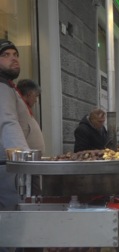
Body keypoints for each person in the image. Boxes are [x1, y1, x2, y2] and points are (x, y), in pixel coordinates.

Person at [0, 39, 45, 214]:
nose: (14, 58)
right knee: (14, 222)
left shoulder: (8, 87)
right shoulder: (2, 87)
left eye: (15, 55)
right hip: (11, 167)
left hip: (12, 166)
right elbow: (7, 121)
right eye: (5, 55)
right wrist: (25, 161)